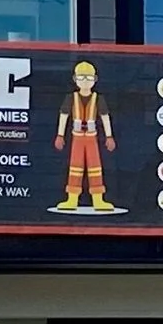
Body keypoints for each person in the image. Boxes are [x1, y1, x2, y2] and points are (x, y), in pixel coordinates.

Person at [52, 59, 120, 213]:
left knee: (95, 167)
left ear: (94, 80)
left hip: (92, 138)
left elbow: (104, 117)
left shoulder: (98, 98)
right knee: (75, 167)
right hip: (77, 138)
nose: (85, 82)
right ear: (75, 79)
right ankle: (72, 199)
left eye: (88, 78)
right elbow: (64, 115)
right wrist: (60, 135)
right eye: (81, 78)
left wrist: (109, 136)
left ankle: (98, 200)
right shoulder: (71, 98)